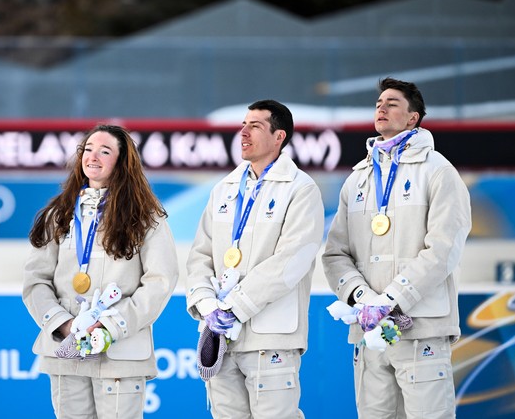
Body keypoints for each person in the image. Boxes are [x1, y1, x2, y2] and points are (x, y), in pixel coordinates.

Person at [322, 77, 472, 418]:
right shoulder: (357, 178)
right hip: (369, 333)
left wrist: (391, 300)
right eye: (378, 103)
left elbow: (443, 249)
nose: (381, 107)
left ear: (413, 118)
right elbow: (334, 254)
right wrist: (365, 300)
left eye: (391, 103)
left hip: (421, 330)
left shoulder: (438, 171)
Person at [23, 123, 179, 419]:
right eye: (88, 149)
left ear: (122, 163)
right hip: (67, 352)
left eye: (104, 151)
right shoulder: (60, 213)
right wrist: (65, 325)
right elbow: (36, 281)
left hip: (121, 353)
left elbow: (161, 281)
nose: (92, 157)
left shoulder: (146, 216)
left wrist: (110, 326)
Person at [186, 99, 324, 419]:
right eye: (243, 125)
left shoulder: (301, 189)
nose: (244, 132)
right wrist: (209, 307)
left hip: (270, 338)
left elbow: (292, 260)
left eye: (256, 126)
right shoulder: (224, 189)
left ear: (280, 137)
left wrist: (234, 307)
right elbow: (199, 257)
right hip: (221, 338)